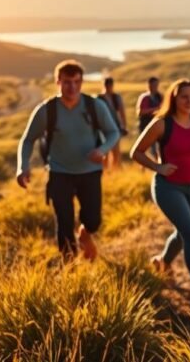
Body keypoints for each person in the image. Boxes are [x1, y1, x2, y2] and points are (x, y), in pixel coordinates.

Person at [17, 59, 120, 259]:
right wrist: (23, 166)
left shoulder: (94, 106)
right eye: (66, 82)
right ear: (58, 82)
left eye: (76, 82)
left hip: (90, 172)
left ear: (81, 82)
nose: (72, 87)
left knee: (93, 220)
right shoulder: (47, 110)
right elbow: (28, 139)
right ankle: (70, 268)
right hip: (59, 173)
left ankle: (85, 233)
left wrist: (103, 149)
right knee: (64, 223)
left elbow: (113, 132)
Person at [131, 78, 190, 308]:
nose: (189, 101)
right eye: (184, 97)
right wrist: (158, 167)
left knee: (183, 234)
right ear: (174, 98)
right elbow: (136, 152)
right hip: (168, 187)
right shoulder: (163, 124)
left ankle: (163, 262)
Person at [97, 76, 128, 169]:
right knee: (104, 151)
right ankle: (105, 170)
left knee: (116, 151)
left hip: (115, 126)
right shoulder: (99, 98)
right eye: (107, 85)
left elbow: (122, 112)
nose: (109, 87)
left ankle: (115, 170)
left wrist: (123, 125)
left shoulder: (116, 97)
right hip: (103, 128)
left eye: (110, 85)